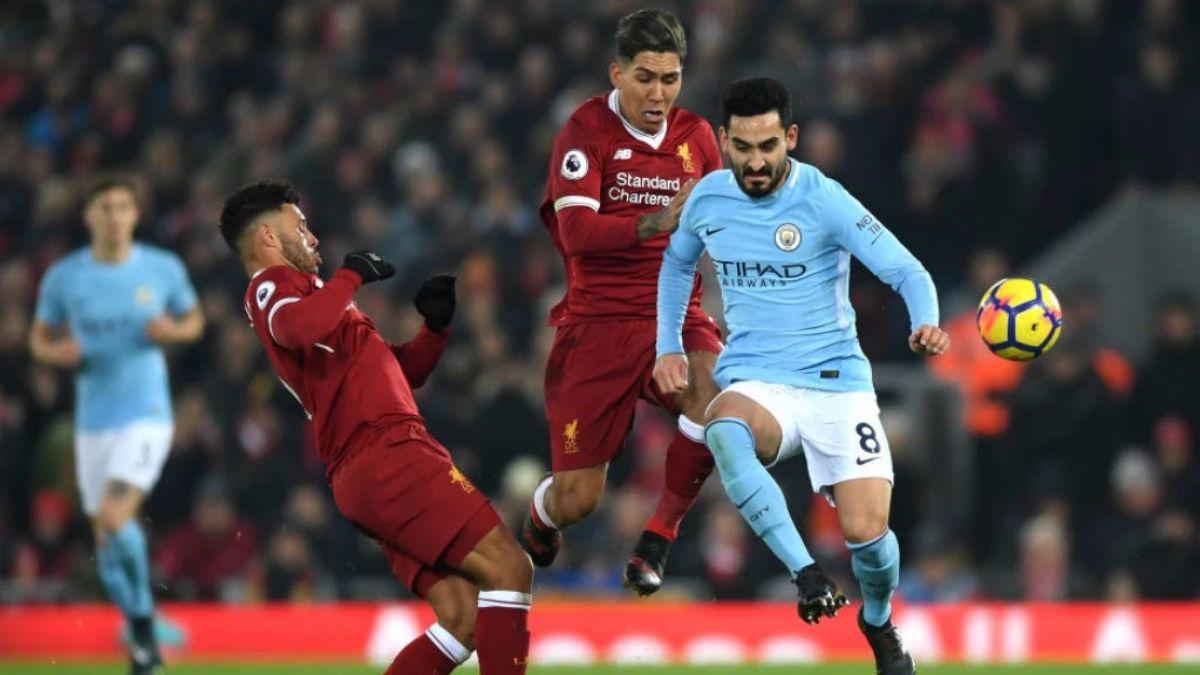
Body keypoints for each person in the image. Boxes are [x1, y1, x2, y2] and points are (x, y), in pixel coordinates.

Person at [654, 78, 950, 675]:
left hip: (837, 384)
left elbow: (907, 270)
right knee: (724, 427)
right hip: (758, 380)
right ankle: (806, 573)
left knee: (869, 538)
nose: (755, 161)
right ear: (724, 140)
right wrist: (667, 346)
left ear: (790, 137)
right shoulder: (707, 200)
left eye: (767, 146)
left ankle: (878, 621)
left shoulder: (824, 199)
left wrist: (926, 321)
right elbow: (676, 263)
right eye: (742, 147)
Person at [219, 181, 532, 674]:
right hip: (386, 452)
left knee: (463, 618)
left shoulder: (317, 298)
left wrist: (434, 331)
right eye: (300, 226)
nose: (313, 237)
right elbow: (297, 328)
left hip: (374, 463)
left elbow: (401, 373)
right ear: (268, 237)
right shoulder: (271, 287)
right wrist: (350, 276)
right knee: (510, 566)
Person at [527, 7, 725, 596]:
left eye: (670, 79)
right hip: (598, 327)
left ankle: (658, 537)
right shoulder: (584, 130)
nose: (658, 94)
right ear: (617, 73)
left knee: (717, 399)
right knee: (578, 499)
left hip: (675, 314)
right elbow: (576, 233)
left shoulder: (697, 138)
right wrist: (655, 221)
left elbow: (727, 226)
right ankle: (542, 514)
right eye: (645, 78)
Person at [30, 177, 204, 674]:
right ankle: (143, 634)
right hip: (93, 423)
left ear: (135, 214)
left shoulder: (162, 268)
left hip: (146, 414)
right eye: (105, 207)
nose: (114, 216)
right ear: (89, 215)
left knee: (113, 514)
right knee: (107, 542)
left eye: (123, 206)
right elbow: (39, 338)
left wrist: (172, 330)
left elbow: (194, 320)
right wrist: (58, 352)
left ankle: (144, 632)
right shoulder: (65, 277)